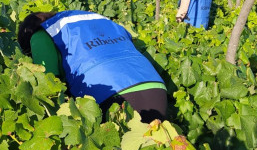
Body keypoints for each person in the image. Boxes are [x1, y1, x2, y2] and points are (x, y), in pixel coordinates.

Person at [17, 10, 167, 122]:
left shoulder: (40, 34)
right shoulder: (91, 19)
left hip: (111, 94)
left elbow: (49, 81)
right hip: (155, 85)